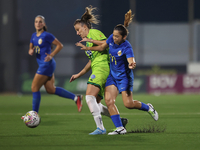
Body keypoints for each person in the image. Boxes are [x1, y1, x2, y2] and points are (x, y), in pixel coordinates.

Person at [76, 10, 159, 135]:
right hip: (112, 76)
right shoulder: (111, 39)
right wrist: (89, 46)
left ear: (124, 37)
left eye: (116, 36)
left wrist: (132, 63)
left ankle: (148, 107)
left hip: (124, 77)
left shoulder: (127, 47)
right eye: (113, 35)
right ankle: (120, 128)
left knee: (128, 104)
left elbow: (131, 59)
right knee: (109, 101)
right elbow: (102, 46)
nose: (113, 38)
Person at [71, 6, 128, 135]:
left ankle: (101, 128)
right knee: (96, 103)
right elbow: (91, 61)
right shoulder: (88, 41)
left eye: (78, 30)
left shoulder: (93, 33)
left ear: (85, 27)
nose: (77, 33)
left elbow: (104, 45)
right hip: (99, 69)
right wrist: (79, 74)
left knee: (89, 97)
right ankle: (119, 121)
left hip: (102, 68)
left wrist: (89, 43)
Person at [22, 15, 83, 119]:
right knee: (50, 89)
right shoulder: (33, 36)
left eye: (40, 22)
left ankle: (33, 115)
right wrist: (30, 50)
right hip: (43, 64)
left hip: (47, 64)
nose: (38, 23)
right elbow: (31, 47)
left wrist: (51, 55)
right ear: (34, 23)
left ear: (44, 24)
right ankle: (76, 98)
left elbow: (60, 45)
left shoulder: (47, 35)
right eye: (36, 21)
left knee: (34, 87)